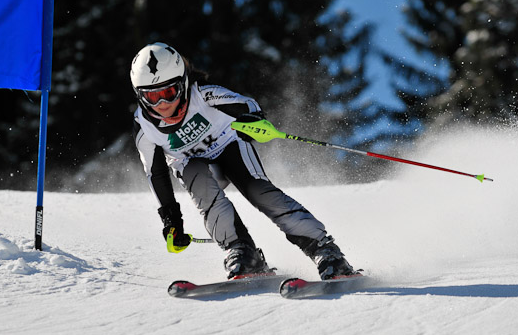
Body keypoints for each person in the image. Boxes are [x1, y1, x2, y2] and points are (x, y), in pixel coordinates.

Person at [130, 42, 358, 280]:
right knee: (198, 181)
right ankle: (242, 252)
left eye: (168, 93)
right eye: (151, 97)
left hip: (229, 146)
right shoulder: (144, 128)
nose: (162, 104)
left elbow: (246, 104)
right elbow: (155, 174)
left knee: (258, 191)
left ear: (183, 84)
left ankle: (324, 250)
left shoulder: (204, 94)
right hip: (192, 164)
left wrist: (253, 120)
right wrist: (171, 221)